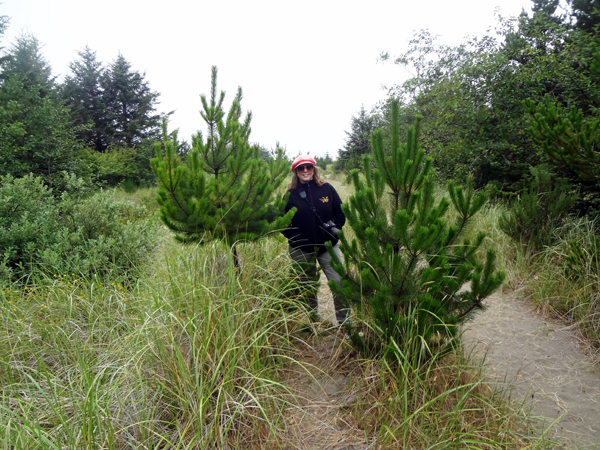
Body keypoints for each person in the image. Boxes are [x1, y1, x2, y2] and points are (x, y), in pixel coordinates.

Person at [281, 155, 349, 327]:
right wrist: (296, 237)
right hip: (302, 249)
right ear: (296, 172)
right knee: (308, 286)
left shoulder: (327, 189)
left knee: (339, 283)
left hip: (328, 247)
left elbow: (340, 213)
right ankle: (314, 319)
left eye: (308, 167)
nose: (305, 171)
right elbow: (281, 222)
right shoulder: (290, 196)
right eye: (301, 168)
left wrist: (334, 232)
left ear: (314, 169)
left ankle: (344, 323)